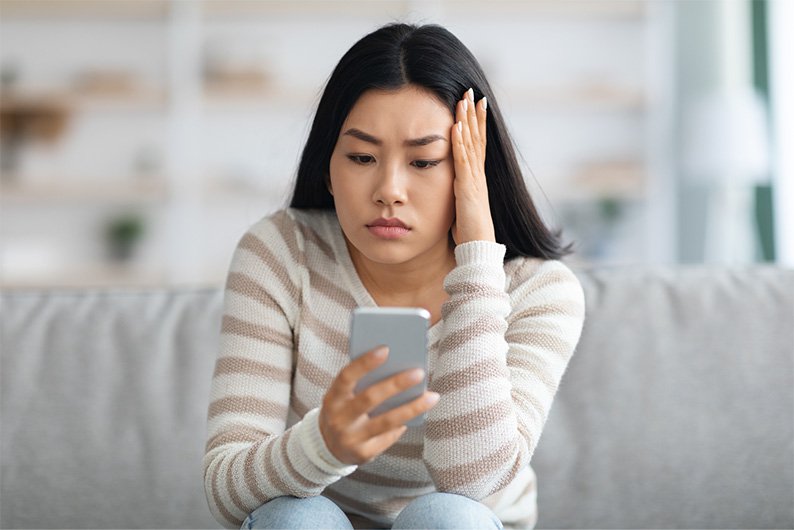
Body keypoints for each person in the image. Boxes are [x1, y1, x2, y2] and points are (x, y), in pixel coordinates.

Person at [203, 22, 585, 530]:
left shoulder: (540, 290)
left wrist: (476, 256)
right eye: (362, 157)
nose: (389, 189)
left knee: (447, 516)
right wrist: (324, 445)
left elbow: (471, 482)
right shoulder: (280, 252)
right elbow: (225, 490)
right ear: (327, 168)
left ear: (472, 172)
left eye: (425, 161)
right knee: (294, 520)